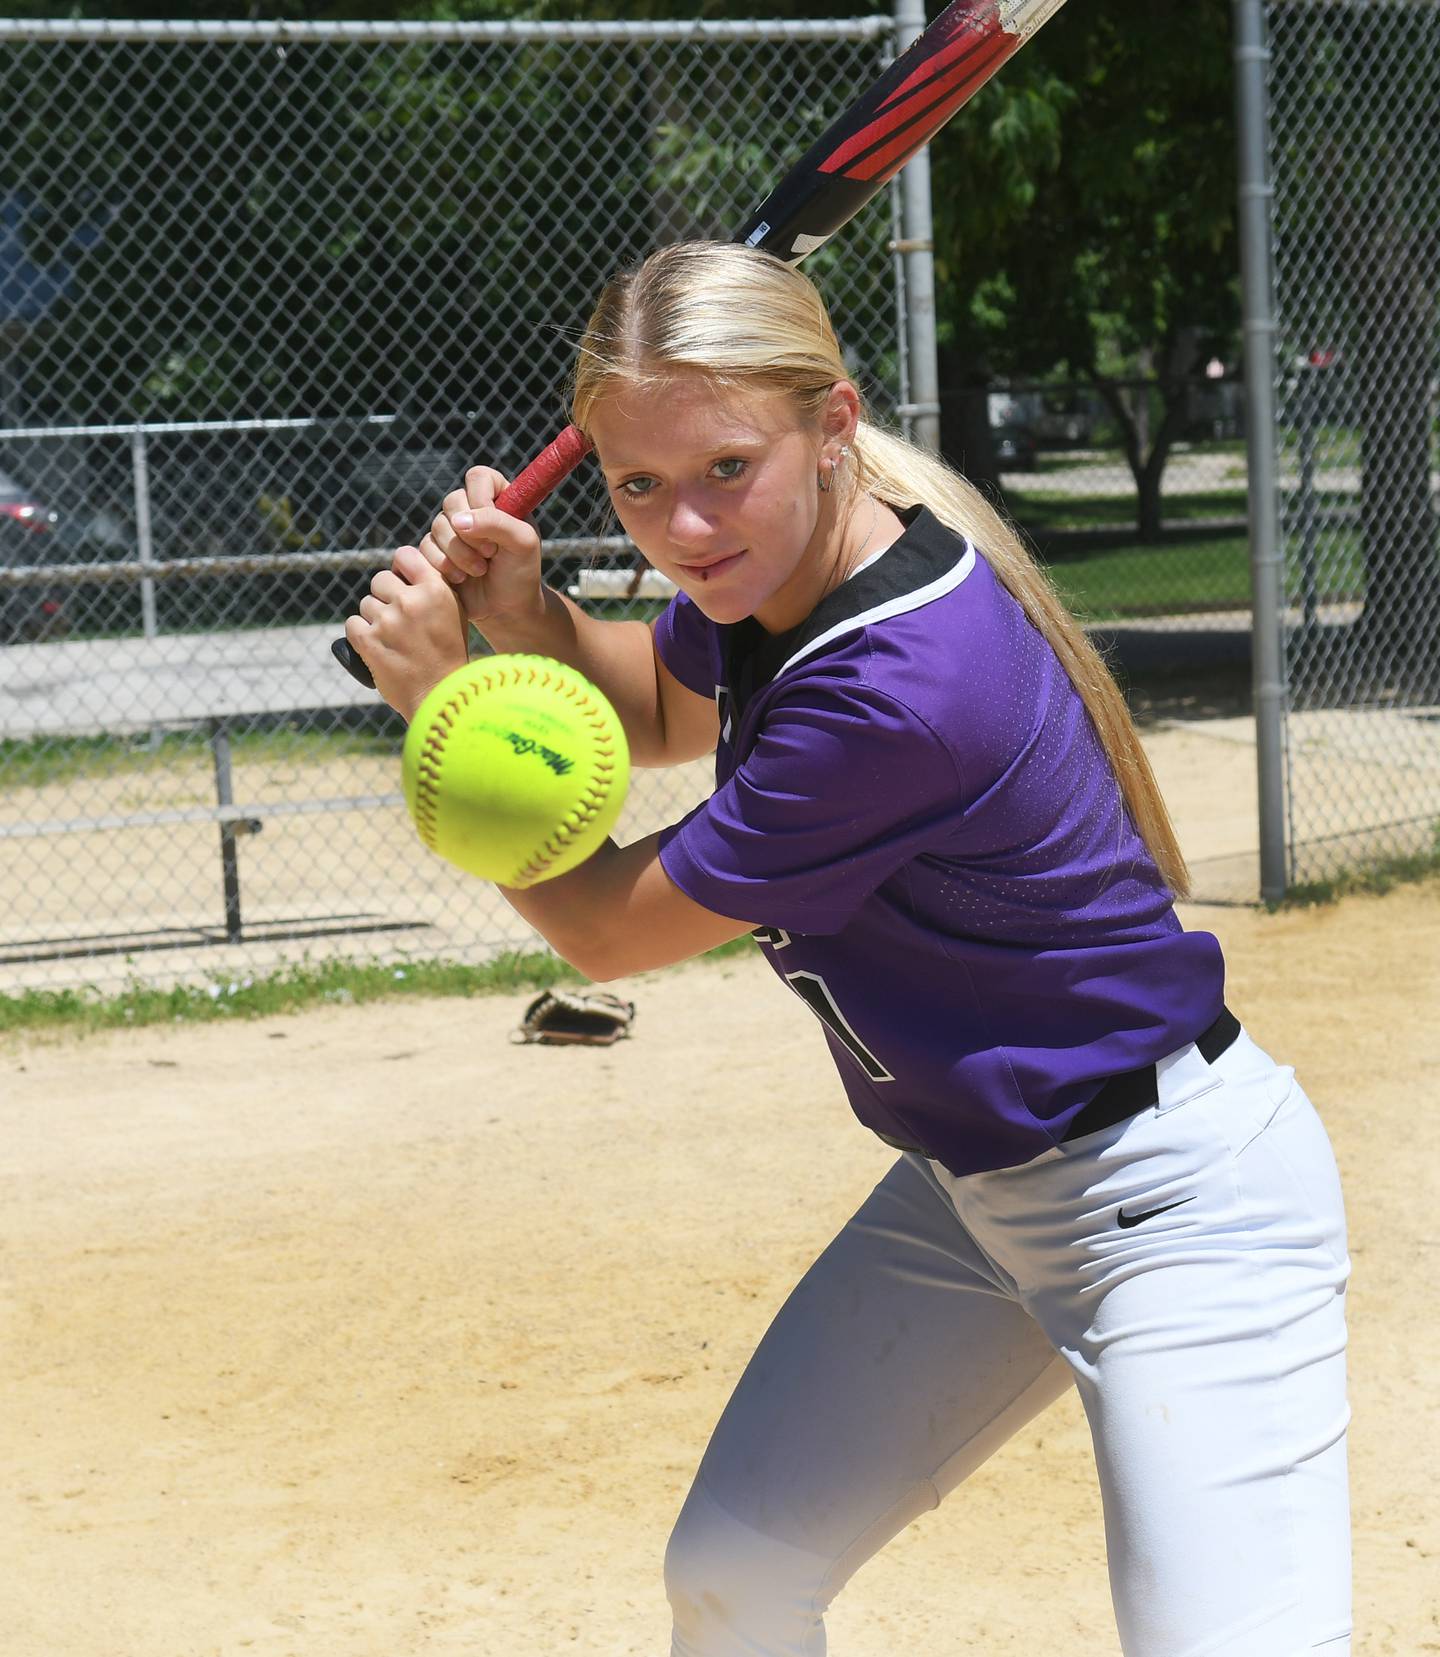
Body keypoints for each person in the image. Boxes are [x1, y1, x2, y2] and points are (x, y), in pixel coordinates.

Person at [344, 242, 1352, 1657]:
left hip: (1175, 1208)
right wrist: (524, 619)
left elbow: (604, 928)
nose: (684, 527)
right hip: (978, 1193)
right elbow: (652, 705)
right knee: (735, 1576)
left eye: (723, 468)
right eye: (638, 484)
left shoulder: (900, 688)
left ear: (832, 426)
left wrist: (454, 709)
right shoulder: (788, 574)